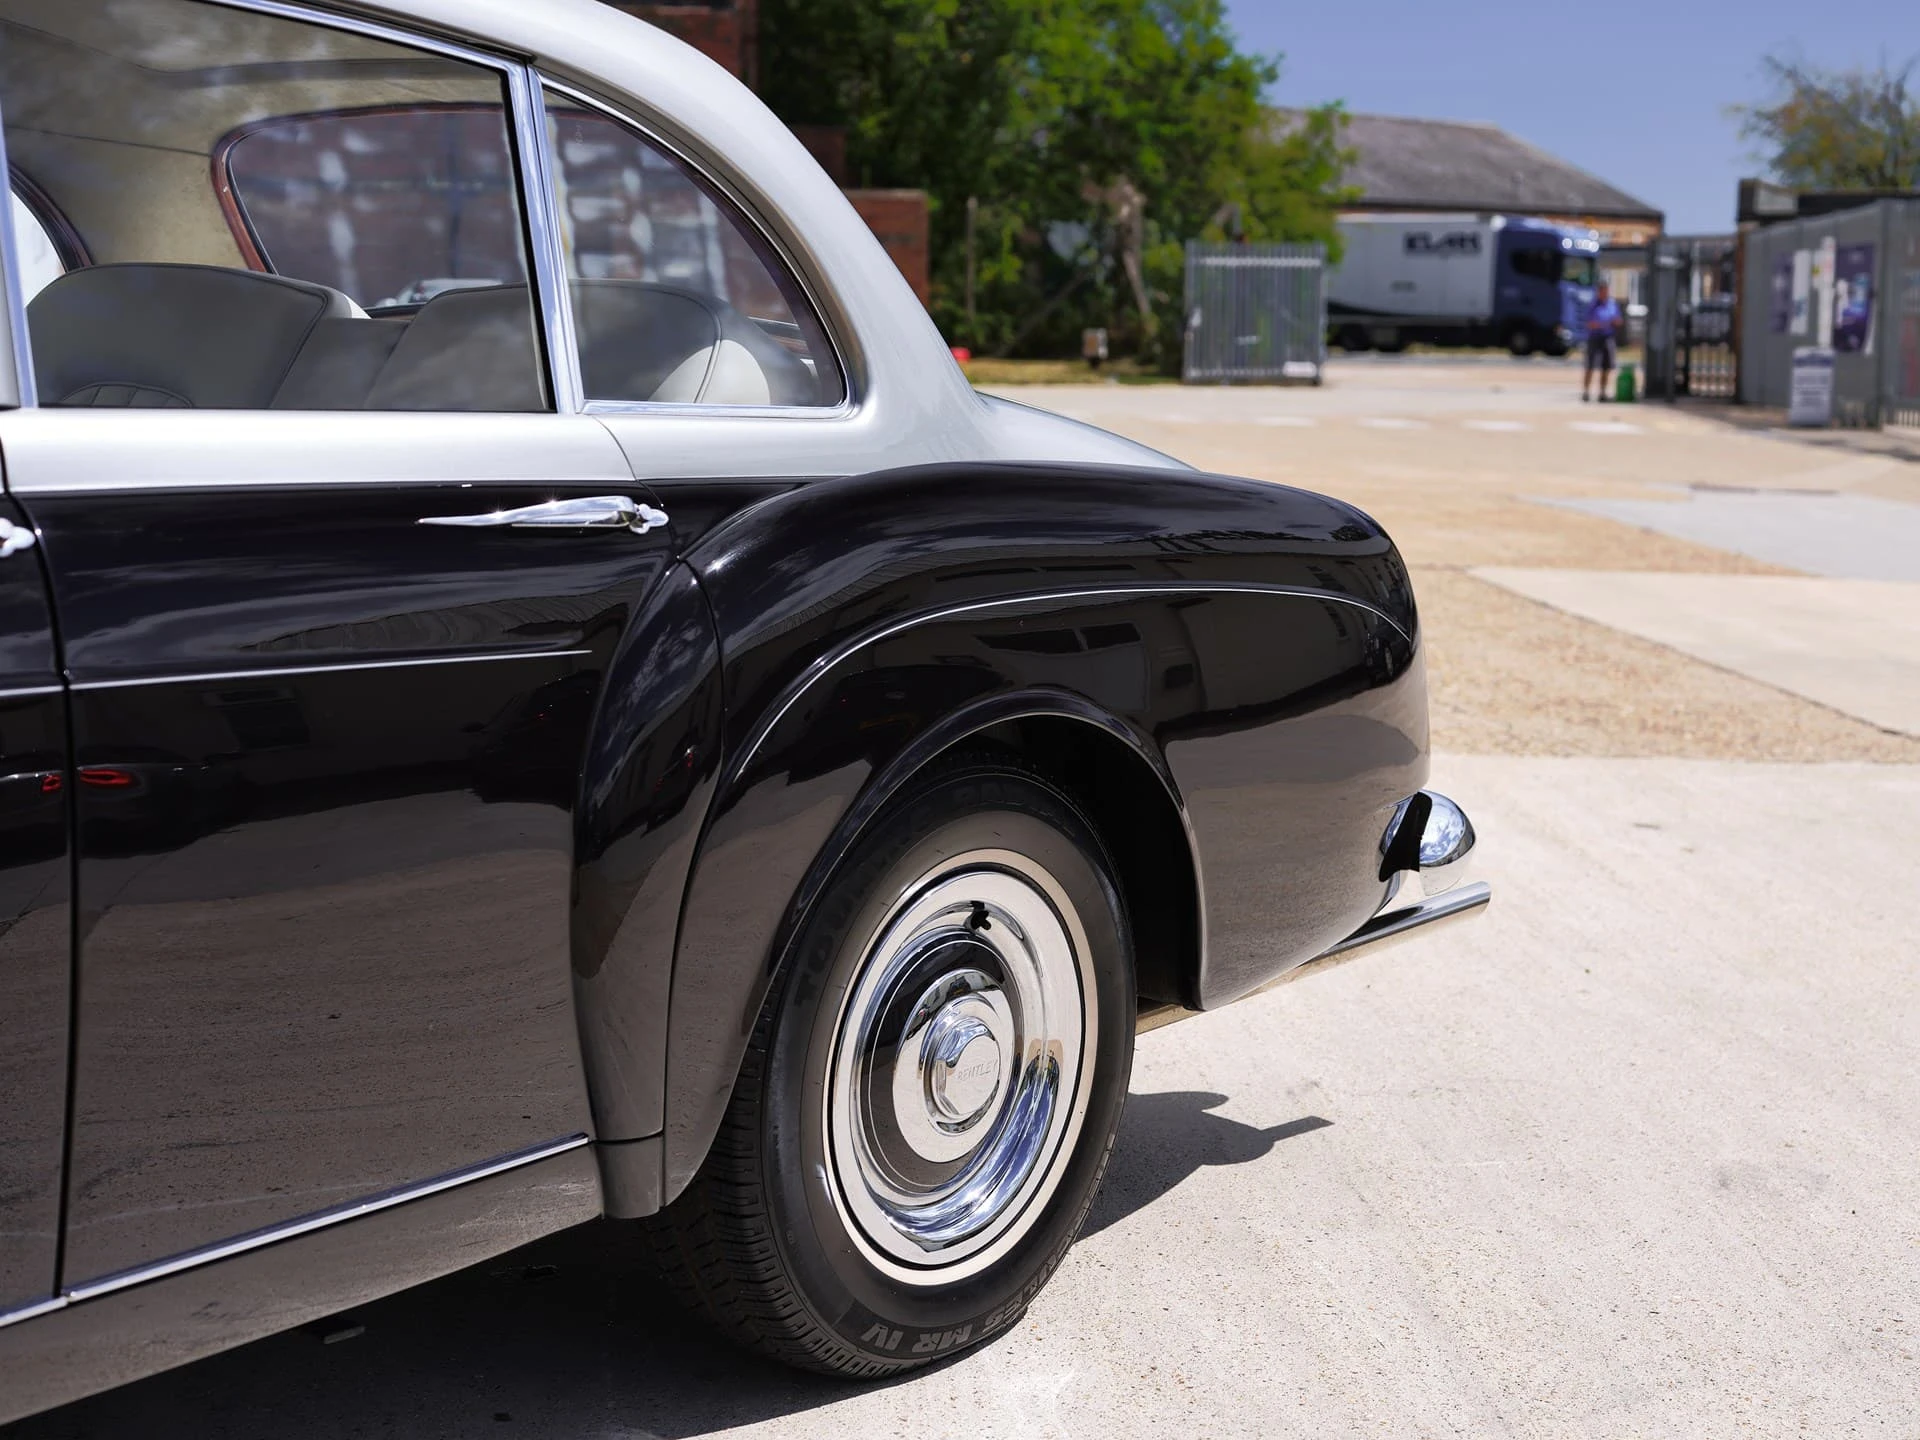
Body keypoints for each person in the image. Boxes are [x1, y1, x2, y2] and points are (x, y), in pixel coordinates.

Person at [1582, 282, 1622, 401]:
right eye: (1602, 291)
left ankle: (1602, 393)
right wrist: (1605, 324)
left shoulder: (1612, 304)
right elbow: (1590, 324)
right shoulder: (1592, 305)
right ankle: (1586, 392)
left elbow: (1618, 321)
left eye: (1606, 291)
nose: (1604, 293)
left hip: (1608, 337)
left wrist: (1609, 323)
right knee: (1590, 365)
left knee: (1606, 366)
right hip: (1594, 338)